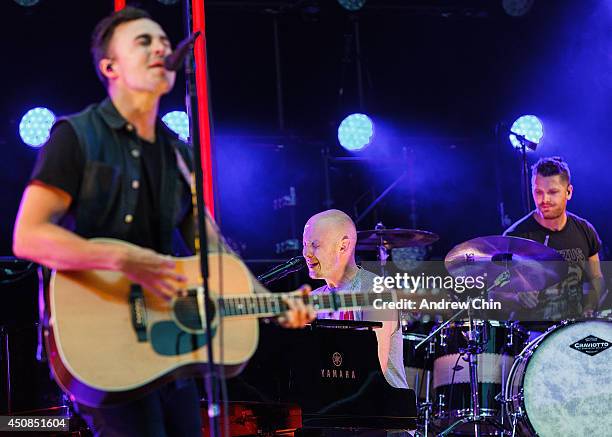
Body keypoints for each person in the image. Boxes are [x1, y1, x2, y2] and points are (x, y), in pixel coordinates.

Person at [12, 7, 313, 436]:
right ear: (110, 66)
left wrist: (272, 301)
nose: (161, 47)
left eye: (164, 42)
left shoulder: (178, 154)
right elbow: (28, 235)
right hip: (100, 333)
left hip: (168, 342)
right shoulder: (77, 136)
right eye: (143, 41)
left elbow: (213, 251)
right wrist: (119, 257)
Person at [302, 209, 408, 389]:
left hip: (381, 410)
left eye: (315, 245)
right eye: (304, 244)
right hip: (333, 405)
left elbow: (371, 372)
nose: (306, 253)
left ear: (343, 246)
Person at [491, 157, 604, 321]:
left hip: (575, 329)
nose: (544, 200)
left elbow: (596, 277)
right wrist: (517, 298)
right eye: (538, 192)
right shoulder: (514, 237)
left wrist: (591, 304)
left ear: (569, 192)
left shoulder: (585, 230)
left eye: (552, 192)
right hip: (535, 336)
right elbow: (494, 295)